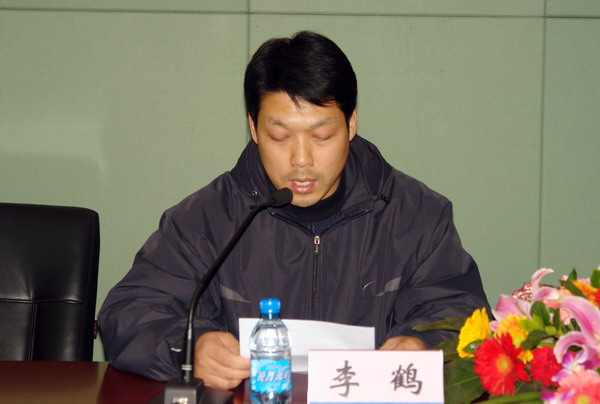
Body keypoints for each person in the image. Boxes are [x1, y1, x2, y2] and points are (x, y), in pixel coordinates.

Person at [98, 30, 489, 390]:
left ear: (351, 124)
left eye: (322, 136)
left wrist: (423, 346)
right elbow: (128, 313)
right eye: (279, 136)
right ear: (254, 128)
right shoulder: (205, 219)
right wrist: (190, 348)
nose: (301, 159)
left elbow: (461, 316)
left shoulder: (416, 216)